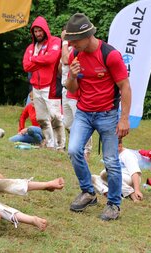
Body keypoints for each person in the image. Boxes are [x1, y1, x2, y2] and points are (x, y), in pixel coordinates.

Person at [64, 13, 132, 221]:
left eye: (75, 40)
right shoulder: (75, 55)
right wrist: (72, 76)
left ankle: (114, 204)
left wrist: (124, 119)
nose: (72, 45)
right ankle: (88, 192)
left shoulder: (110, 55)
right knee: (74, 150)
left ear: (87, 36)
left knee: (111, 161)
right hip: (84, 113)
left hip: (108, 115)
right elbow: (71, 88)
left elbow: (125, 86)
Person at [22, 16, 66, 151]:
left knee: (55, 117)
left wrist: (34, 59)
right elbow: (26, 66)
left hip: (51, 85)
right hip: (36, 86)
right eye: (35, 31)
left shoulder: (55, 41)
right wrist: (41, 60)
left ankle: (60, 146)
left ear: (45, 30)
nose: (38, 34)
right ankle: (49, 143)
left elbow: (52, 58)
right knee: (41, 118)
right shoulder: (31, 46)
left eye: (40, 31)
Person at [59, 27, 92, 160]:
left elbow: (66, 60)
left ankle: (86, 151)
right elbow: (62, 65)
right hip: (64, 88)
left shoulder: (76, 49)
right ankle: (77, 147)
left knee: (81, 122)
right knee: (67, 123)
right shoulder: (67, 48)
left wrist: (64, 42)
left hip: (76, 90)